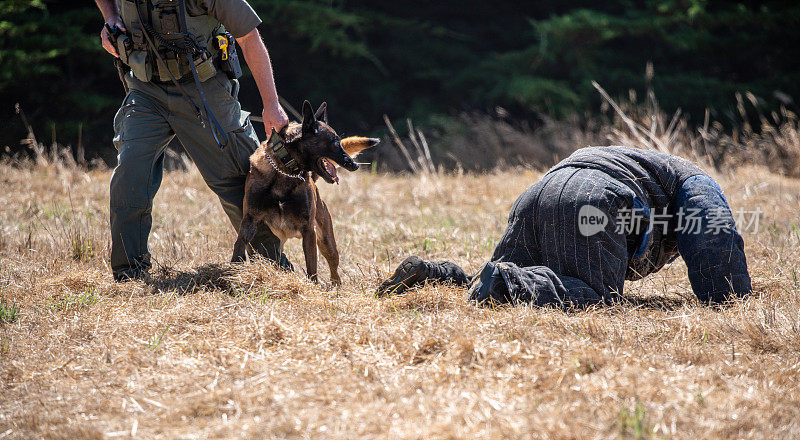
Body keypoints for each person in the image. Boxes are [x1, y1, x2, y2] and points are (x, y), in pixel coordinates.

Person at [376, 146, 752, 307]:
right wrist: (730, 298)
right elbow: (712, 232)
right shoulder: (696, 180)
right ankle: (511, 284)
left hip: (536, 195)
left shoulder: (650, 166)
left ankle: (433, 274)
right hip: (592, 201)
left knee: (485, 280)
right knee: (595, 295)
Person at [94, 0, 291, 281]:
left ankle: (272, 270)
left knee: (240, 179)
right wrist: (111, 16)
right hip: (146, 89)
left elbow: (249, 38)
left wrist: (271, 104)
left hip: (205, 88)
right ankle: (130, 274)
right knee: (130, 174)